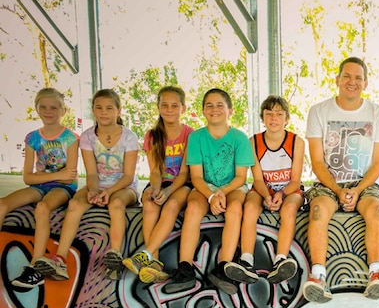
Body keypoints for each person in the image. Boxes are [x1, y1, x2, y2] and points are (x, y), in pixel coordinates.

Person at [301, 57, 379, 303]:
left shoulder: (378, 113)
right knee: (318, 209)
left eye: (358, 78)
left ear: (365, 83)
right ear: (337, 80)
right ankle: (318, 277)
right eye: (347, 76)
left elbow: (378, 164)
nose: (352, 82)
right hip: (329, 184)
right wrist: (339, 191)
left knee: (375, 209)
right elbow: (318, 163)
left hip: (365, 183)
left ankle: (375, 275)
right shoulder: (319, 111)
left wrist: (357, 190)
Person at [33, 89, 139, 281]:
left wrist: (108, 191)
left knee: (116, 205)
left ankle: (115, 256)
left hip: (123, 187)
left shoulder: (129, 137)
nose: (104, 112)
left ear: (119, 111)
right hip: (97, 185)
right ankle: (59, 259)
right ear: (93, 111)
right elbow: (91, 172)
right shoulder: (87, 137)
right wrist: (92, 191)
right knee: (74, 205)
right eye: (99, 108)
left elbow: (129, 176)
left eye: (109, 108)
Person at [165, 88, 254, 294]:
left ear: (230, 110)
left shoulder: (239, 138)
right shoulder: (196, 138)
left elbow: (241, 177)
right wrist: (212, 195)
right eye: (209, 106)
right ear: (203, 111)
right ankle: (185, 268)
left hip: (233, 186)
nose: (214, 109)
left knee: (234, 209)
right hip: (205, 186)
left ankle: (224, 267)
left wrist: (222, 193)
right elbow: (196, 177)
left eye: (220, 105)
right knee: (194, 208)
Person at [224, 95, 305, 285]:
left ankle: (281, 260)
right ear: (262, 117)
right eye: (269, 113)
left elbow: (295, 180)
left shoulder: (296, 142)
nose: (274, 118)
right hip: (263, 189)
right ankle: (246, 260)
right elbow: (258, 179)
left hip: (289, 190)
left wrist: (281, 194)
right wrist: (268, 195)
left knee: (289, 209)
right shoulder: (254, 142)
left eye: (279, 114)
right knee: (250, 208)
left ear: (287, 119)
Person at [7, 88, 79, 289]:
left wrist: (47, 177)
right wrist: (56, 174)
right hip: (38, 185)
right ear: (37, 109)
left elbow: (69, 177)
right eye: (44, 107)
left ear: (63, 110)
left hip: (62, 189)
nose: (49, 111)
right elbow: (27, 177)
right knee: (3, 204)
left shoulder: (70, 138)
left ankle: (36, 266)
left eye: (54, 107)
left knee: (42, 208)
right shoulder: (32, 138)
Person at [123, 86, 193, 284]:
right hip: (161, 182)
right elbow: (155, 171)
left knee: (170, 206)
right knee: (149, 203)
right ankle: (155, 263)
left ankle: (145, 254)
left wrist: (169, 190)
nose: (169, 110)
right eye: (164, 105)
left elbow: (184, 173)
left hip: (182, 184)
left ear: (183, 108)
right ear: (158, 107)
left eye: (174, 106)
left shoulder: (190, 134)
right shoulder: (152, 135)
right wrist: (155, 188)